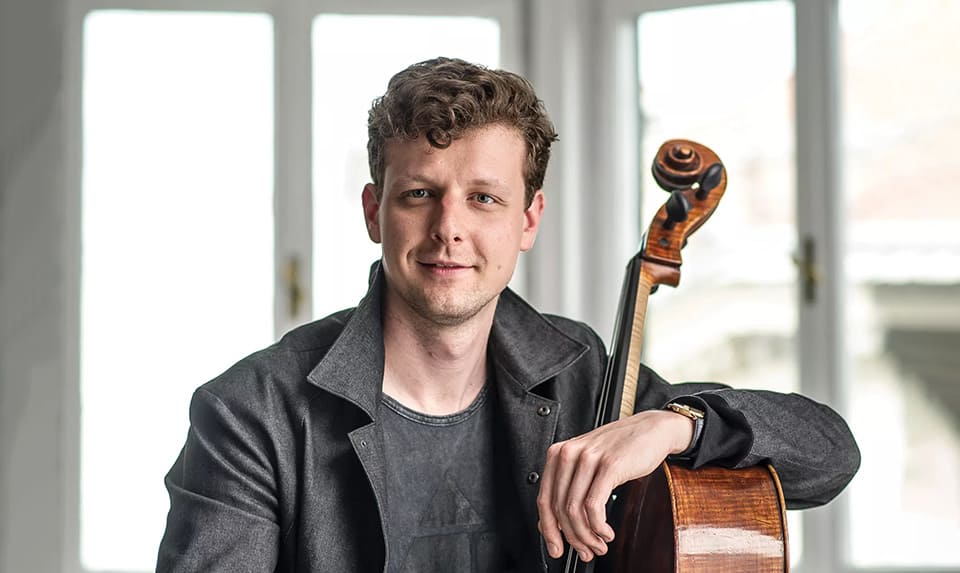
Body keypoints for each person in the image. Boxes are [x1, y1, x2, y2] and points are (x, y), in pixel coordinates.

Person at [157, 57, 859, 572]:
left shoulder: (587, 381)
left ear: (529, 218)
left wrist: (674, 424)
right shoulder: (252, 413)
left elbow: (828, 454)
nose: (448, 230)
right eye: (419, 195)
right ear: (375, 212)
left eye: (484, 198)